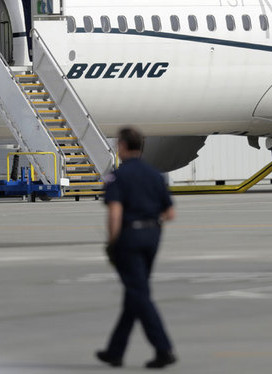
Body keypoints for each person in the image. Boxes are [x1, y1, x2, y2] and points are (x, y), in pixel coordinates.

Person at [96, 127, 177, 369]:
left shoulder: (118, 176)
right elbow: (170, 213)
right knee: (136, 292)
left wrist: (112, 242)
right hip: (153, 235)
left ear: (121, 146)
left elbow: (115, 211)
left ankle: (163, 349)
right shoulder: (155, 174)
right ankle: (115, 351)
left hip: (129, 236)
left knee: (139, 294)